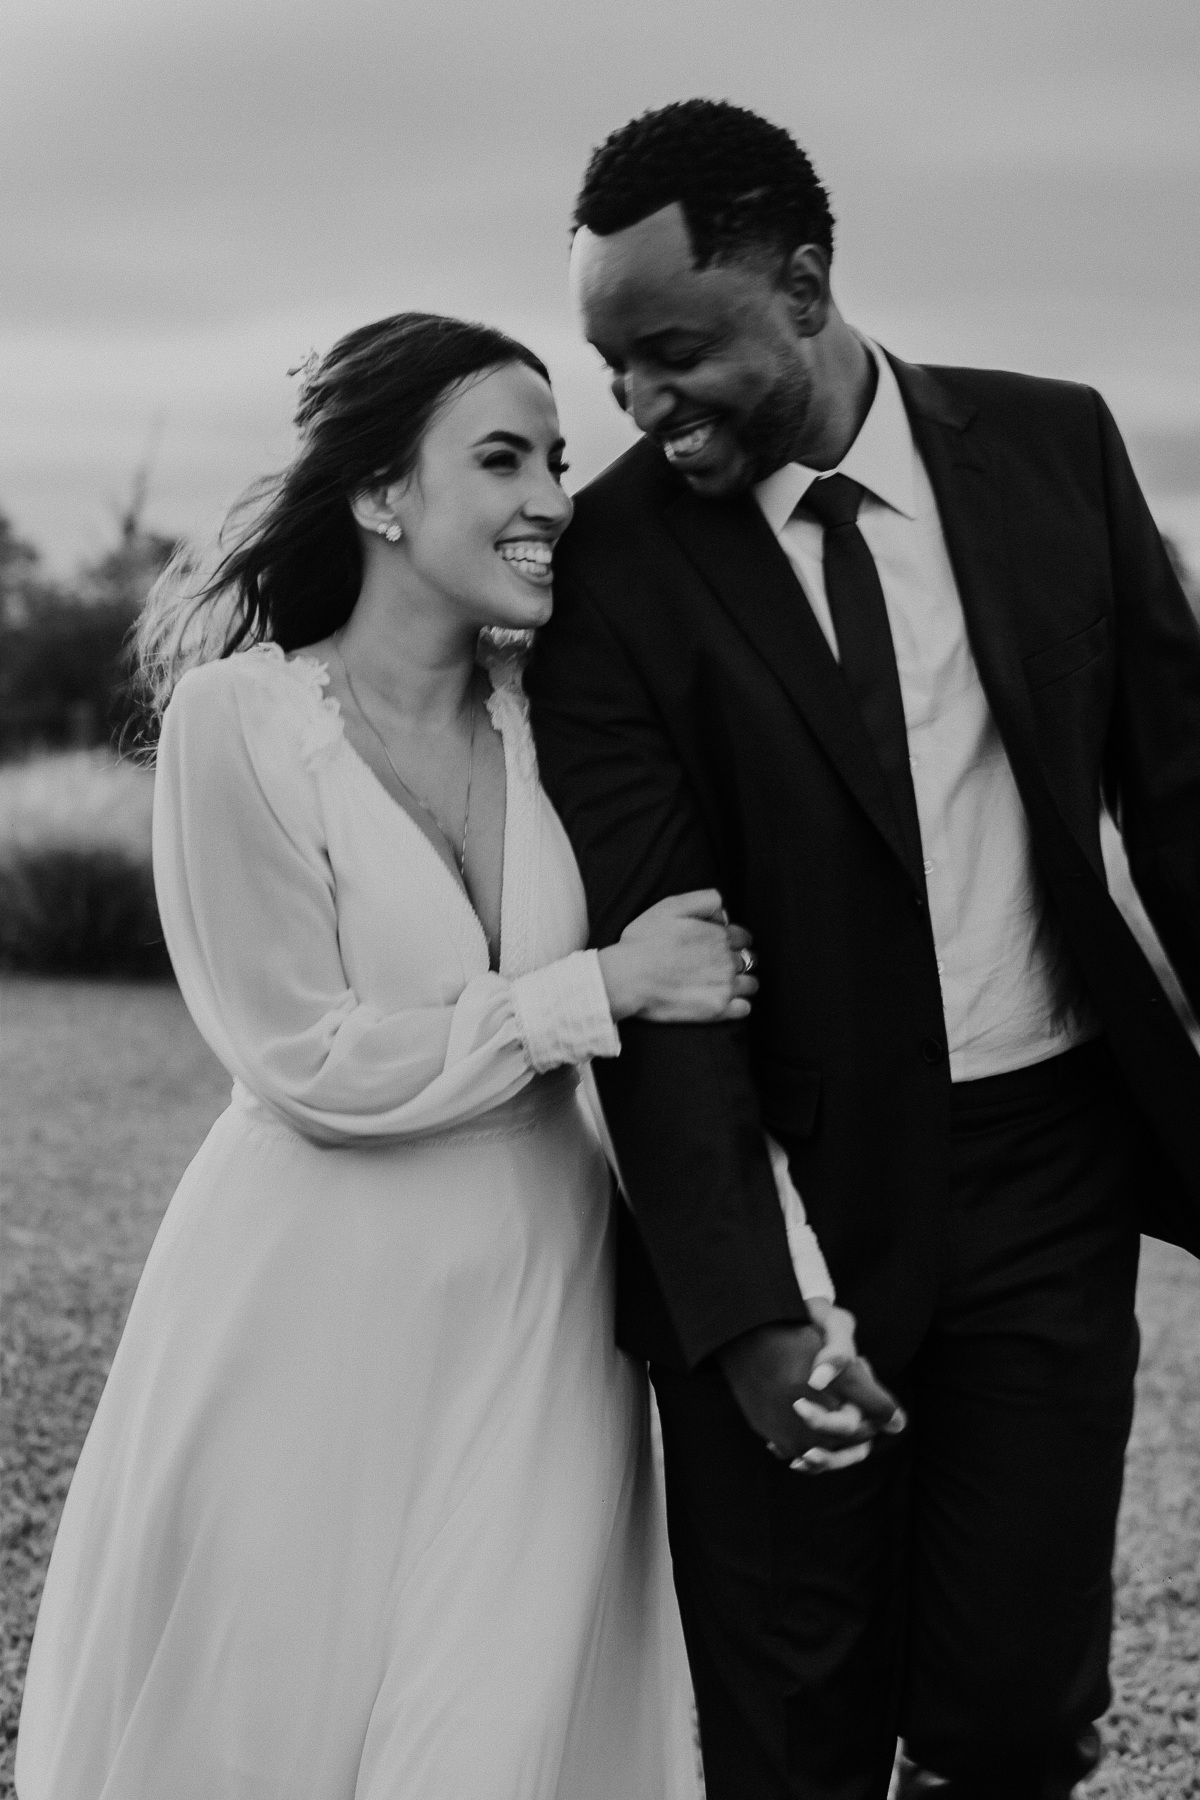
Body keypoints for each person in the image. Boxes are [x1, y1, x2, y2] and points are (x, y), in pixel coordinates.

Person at [16, 312, 879, 1800]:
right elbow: (309, 1059)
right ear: (378, 494)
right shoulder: (240, 724)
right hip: (309, 1307)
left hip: (543, 1303)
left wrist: (793, 1282)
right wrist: (597, 986)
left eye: (557, 460)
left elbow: (693, 1049)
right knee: (269, 1721)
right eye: (502, 459)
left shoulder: (565, 722)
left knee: (491, 1731)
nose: (552, 497)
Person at [528, 100, 1200, 1800]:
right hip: (795, 1190)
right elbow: (660, 959)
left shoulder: (1057, 446)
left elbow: (1186, 802)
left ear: (807, 287)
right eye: (614, 370)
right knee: (792, 1729)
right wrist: (747, 1307)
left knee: (1015, 1715)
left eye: (676, 354)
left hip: (1052, 1170)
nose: (641, 404)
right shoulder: (612, 568)